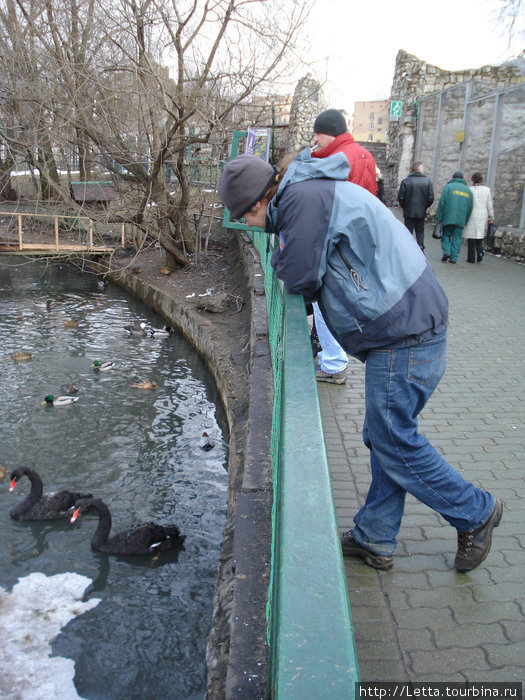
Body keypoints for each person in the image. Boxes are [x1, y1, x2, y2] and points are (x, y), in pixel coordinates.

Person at [217, 151, 502, 572]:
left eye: (243, 216)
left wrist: (283, 257)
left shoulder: (302, 201)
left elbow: (297, 275)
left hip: (403, 333)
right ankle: (376, 536)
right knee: (388, 435)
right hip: (409, 324)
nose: (245, 224)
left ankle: (475, 512)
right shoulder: (307, 193)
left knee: (394, 441)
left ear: (257, 202)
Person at [309, 108, 378, 383]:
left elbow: (327, 205)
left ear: (327, 133)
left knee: (325, 301)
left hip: (335, 242)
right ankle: (338, 357)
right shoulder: (365, 155)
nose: (315, 141)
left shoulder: (336, 159)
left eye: (317, 135)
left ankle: (334, 363)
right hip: (359, 240)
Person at [435, 171, 473, 264]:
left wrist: (439, 217)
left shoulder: (448, 187)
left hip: (448, 217)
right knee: (457, 238)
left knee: (446, 235)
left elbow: (442, 203)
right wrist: (466, 220)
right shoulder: (468, 191)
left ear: (453, 178)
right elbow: (470, 207)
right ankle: (454, 258)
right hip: (461, 219)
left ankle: (447, 252)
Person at [397, 161, 434, 252]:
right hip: (421, 211)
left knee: (408, 231)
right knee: (420, 231)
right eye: (422, 167)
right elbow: (431, 197)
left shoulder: (405, 181)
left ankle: (408, 249)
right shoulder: (427, 181)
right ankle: (420, 247)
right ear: (418, 168)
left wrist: (405, 206)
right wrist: (425, 206)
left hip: (408, 211)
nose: (423, 169)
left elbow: (401, 197)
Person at [462, 172, 494, 263]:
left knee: (471, 237)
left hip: (472, 214)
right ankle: (480, 251)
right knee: (479, 236)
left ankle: (471, 258)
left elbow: (467, 204)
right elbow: (489, 204)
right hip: (482, 214)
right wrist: (491, 216)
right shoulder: (487, 190)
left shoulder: (470, 190)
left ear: (473, 180)